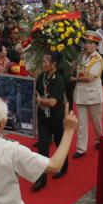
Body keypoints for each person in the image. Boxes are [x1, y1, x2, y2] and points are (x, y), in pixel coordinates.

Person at [34, 53, 68, 191]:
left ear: (54, 64)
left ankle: (63, 167)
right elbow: (35, 93)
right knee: (42, 147)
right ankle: (41, 179)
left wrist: (40, 100)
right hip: (43, 117)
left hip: (56, 117)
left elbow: (53, 102)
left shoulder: (59, 79)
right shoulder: (41, 77)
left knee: (60, 143)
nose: (43, 64)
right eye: (43, 61)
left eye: (46, 62)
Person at [72, 32, 103, 158]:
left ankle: (99, 139)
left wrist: (75, 79)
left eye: (91, 43)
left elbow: (90, 78)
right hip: (80, 93)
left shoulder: (98, 59)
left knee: (96, 122)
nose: (88, 45)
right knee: (81, 123)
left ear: (96, 45)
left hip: (93, 94)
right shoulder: (81, 56)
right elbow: (73, 68)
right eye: (86, 43)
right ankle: (81, 148)